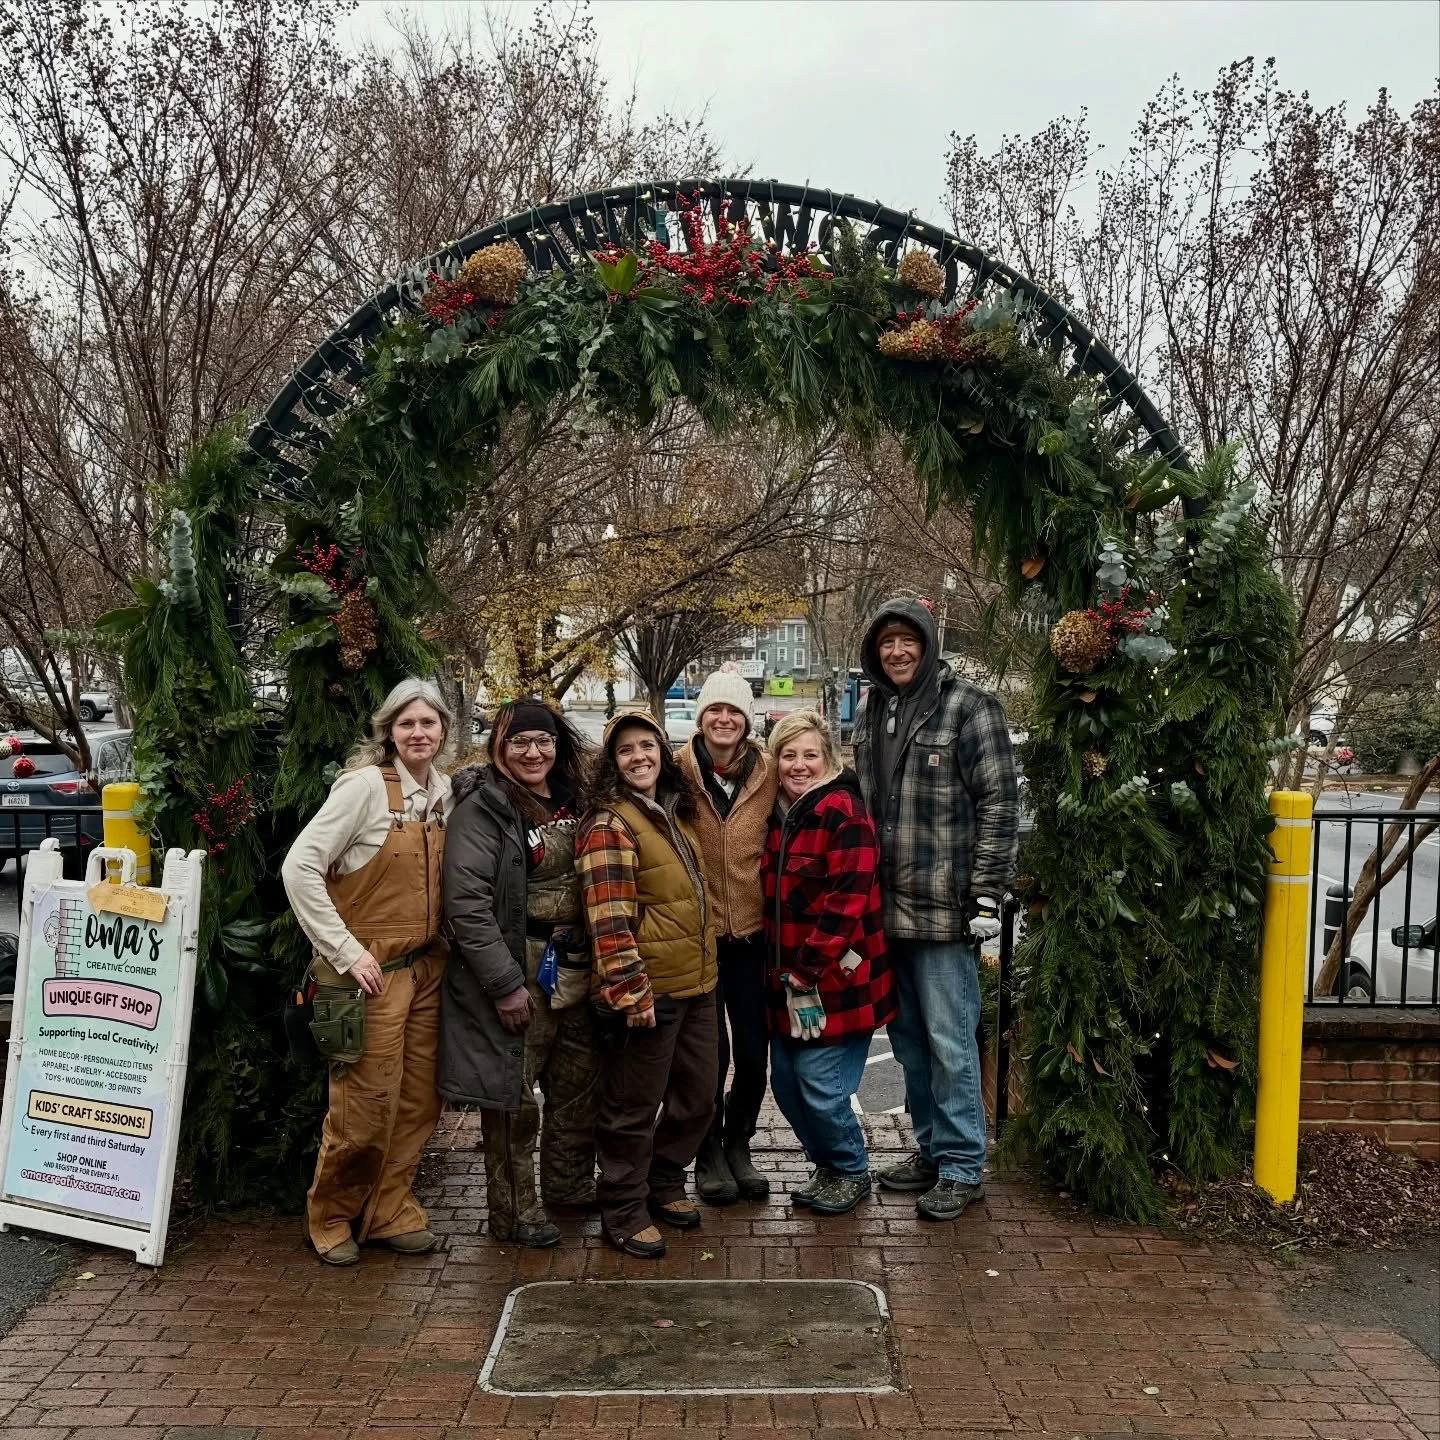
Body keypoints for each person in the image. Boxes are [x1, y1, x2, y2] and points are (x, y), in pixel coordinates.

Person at [852, 598, 1018, 1221]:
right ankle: (930, 1146)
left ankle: (962, 1164)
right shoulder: (874, 711)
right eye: (886, 643)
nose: (897, 652)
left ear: (926, 646)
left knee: (951, 1041)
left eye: (907, 641)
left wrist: (985, 891)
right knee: (910, 1042)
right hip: (886, 910)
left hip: (945, 912)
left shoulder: (970, 709)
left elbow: (1000, 803)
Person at [282, 677, 453, 1265]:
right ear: (388, 733)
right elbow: (299, 866)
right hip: (367, 978)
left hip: (424, 971)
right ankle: (330, 1217)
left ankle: (388, 1211)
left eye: (428, 723)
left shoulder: (444, 793)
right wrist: (345, 951)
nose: (418, 733)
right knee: (362, 1107)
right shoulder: (362, 789)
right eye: (407, 724)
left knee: (418, 1102)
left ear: (444, 731)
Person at [439, 699, 597, 1248]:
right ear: (499, 748)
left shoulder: (578, 797)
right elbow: (466, 905)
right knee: (514, 1100)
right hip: (518, 963)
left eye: (543, 742)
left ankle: (569, 1185)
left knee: (576, 1084)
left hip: (576, 961)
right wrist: (505, 985)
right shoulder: (481, 810)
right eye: (519, 743)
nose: (533, 753)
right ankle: (516, 1211)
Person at [576, 708, 718, 1259]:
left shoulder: (673, 814)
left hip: (697, 983)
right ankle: (624, 1208)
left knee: (699, 1096)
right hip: (647, 993)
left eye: (647, 746)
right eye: (626, 750)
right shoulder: (611, 824)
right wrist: (631, 992)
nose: (639, 757)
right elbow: (607, 920)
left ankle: (663, 1182)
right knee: (633, 1108)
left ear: (663, 751)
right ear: (612, 763)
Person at [762, 711, 897, 1216]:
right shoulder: (781, 816)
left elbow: (849, 899)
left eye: (809, 755)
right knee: (787, 1087)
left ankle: (850, 1168)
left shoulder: (842, 813)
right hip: (786, 983)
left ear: (829, 760)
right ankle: (828, 1161)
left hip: (835, 980)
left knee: (821, 1085)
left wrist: (807, 969)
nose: (798, 765)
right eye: (788, 755)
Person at [676, 667, 778, 1205]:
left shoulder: (768, 775)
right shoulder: (677, 772)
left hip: (755, 938)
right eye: (714, 709)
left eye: (733, 711)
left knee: (754, 1051)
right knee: (708, 1055)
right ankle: (708, 1149)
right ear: (701, 717)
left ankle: (740, 1142)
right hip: (700, 936)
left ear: (746, 720)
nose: (723, 719)